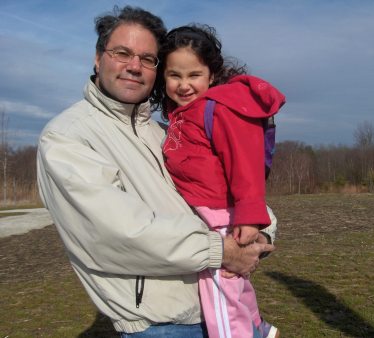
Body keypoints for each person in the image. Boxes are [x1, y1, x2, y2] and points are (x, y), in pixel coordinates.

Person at [36, 6, 274, 338]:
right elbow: (121, 233)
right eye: (122, 53)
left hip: (213, 304)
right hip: (161, 326)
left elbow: (217, 190)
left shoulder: (163, 133)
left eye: (147, 59)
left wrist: (262, 232)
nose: (134, 66)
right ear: (97, 58)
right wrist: (224, 251)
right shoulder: (67, 137)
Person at [156, 24, 285, 338]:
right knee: (234, 284)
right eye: (175, 75)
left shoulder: (218, 109)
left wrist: (251, 218)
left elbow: (246, 165)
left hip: (219, 216)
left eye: (194, 75)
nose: (184, 85)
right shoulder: (183, 113)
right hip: (208, 212)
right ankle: (258, 328)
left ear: (211, 74)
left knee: (220, 295)